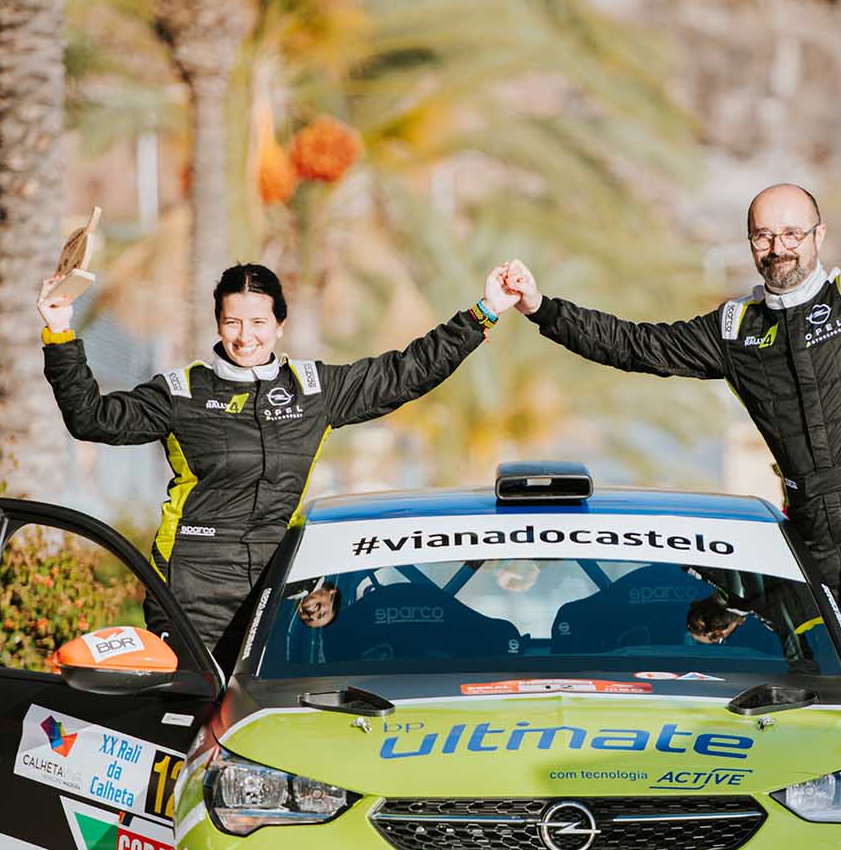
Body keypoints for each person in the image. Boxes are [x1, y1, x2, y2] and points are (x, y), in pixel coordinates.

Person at [501, 65, 841, 682]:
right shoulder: (734, 331)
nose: (779, 248)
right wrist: (542, 309)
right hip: (811, 537)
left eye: (792, 233)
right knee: (819, 688)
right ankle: (740, 607)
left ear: (818, 236)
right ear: (750, 243)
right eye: (763, 236)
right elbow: (633, 345)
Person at [41, 262, 519, 650]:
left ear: (279, 325)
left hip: (278, 584)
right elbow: (93, 419)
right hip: (190, 585)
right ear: (218, 324)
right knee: (193, 715)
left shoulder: (313, 390)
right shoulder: (181, 391)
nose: (244, 336)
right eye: (232, 322)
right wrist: (60, 332)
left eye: (258, 323)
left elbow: (405, 373)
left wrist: (484, 313)